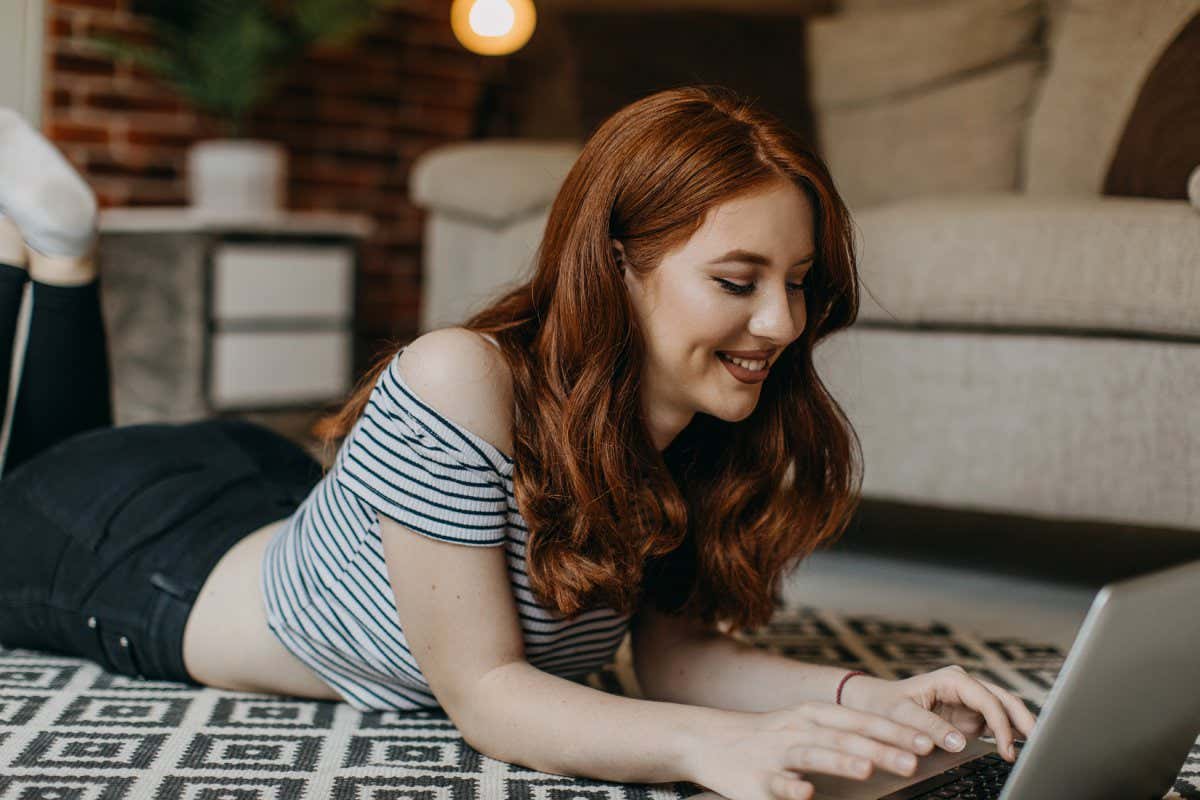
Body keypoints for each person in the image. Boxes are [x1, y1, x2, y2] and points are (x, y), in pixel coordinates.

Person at [0, 89, 1037, 800]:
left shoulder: (699, 427)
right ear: (618, 264)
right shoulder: (457, 374)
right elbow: (486, 694)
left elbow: (679, 658)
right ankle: (59, 252)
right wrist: (718, 748)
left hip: (262, 491)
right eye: (737, 280)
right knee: (29, 477)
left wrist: (873, 697)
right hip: (141, 561)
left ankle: (56, 252)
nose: (781, 322)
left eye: (798, 280)